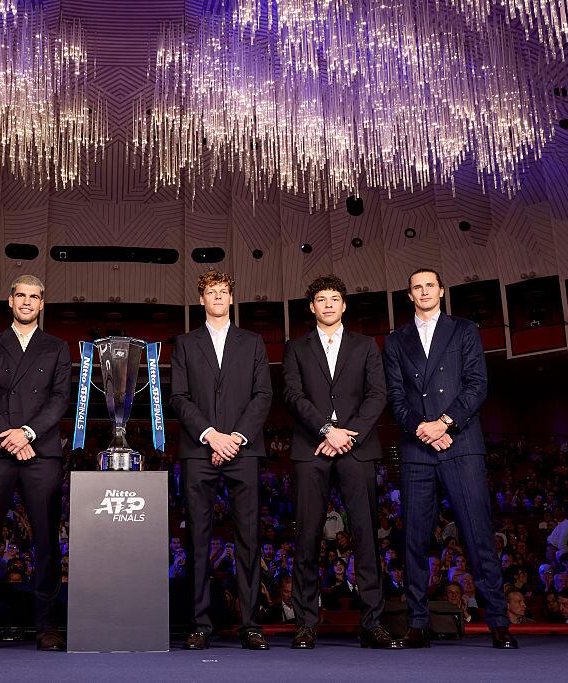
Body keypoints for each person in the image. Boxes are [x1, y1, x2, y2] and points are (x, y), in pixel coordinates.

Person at [382, 268, 516, 649]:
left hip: (461, 443)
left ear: (441, 290)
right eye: (416, 287)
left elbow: (478, 384)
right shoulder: (395, 340)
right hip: (416, 447)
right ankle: (418, 623)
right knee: (414, 540)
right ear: (409, 295)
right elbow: (395, 396)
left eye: (429, 285)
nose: (423, 291)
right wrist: (421, 428)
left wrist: (444, 423)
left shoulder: (463, 330)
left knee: (478, 536)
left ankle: (498, 621)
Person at [282, 274, 401, 650]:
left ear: (344, 305)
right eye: (321, 298)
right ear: (312, 307)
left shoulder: (366, 346)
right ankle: (305, 624)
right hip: (312, 448)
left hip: (357, 448)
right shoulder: (296, 347)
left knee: (366, 538)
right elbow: (292, 394)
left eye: (335, 298)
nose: (329, 304)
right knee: (307, 539)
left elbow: (377, 394)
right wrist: (325, 430)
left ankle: (372, 623)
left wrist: (347, 434)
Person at [0, 275, 71, 653]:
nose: (27, 302)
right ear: (10, 301)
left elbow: (59, 399)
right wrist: (8, 436)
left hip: (39, 451)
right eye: (21, 295)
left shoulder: (57, 347)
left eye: (34, 297)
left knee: (46, 544)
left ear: (42, 303)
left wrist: (26, 433)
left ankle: (47, 626)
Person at [170, 271, 272, 651]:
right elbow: (179, 397)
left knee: (248, 540)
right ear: (201, 299)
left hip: (244, 449)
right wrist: (211, 435)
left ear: (231, 298)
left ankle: (250, 623)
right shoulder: (184, 343)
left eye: (223, 291)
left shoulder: (254, 342)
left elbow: (263, 395)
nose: (217, 297)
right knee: (198, 539)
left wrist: (235, 437)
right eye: (210, 292)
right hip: (199, 449)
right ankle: (199, 624)